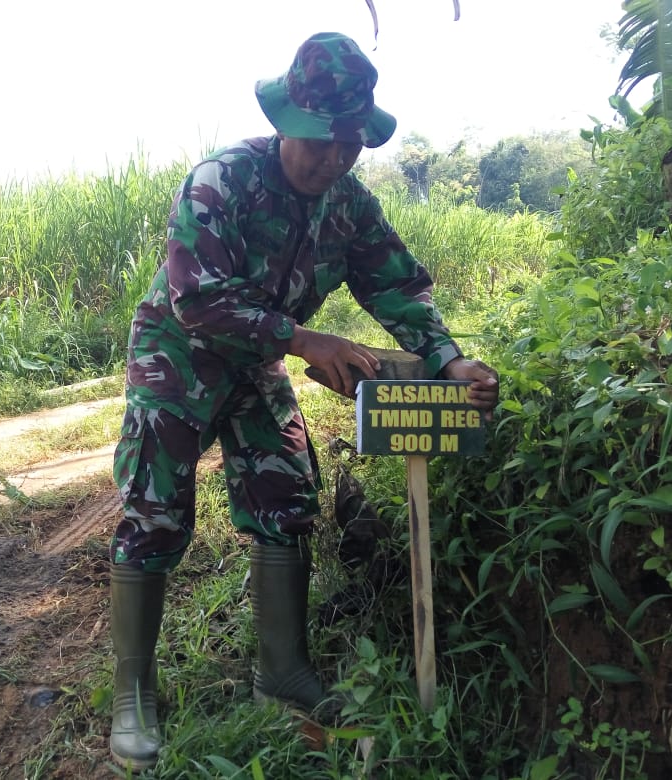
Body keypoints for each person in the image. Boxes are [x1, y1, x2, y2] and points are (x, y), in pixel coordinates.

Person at [107, 31, 499, 771]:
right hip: (179, 353)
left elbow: (396, 288)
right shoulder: (222, 181)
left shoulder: (348, 205)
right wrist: (308, 341)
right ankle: (133, 692)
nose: (334, 159)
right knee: (155, 511)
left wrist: (450, 360)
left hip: (258, 360)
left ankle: (280, 674)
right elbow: (198, 301)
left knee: (286, 495)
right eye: (321, 141)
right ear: (288, 123)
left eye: (350, 145)